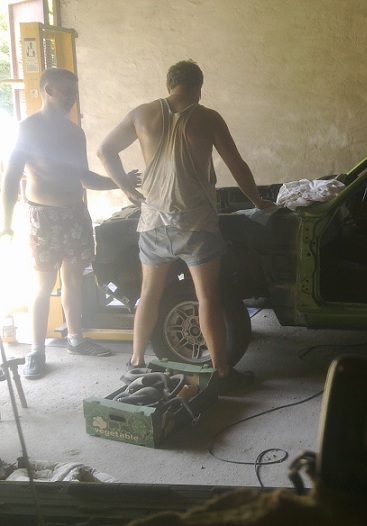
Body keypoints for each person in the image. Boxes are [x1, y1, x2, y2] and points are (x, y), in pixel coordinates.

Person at [97, 60, 274, 390]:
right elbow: (236, 164)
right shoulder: (208, 118)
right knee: (207, 298)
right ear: (198, 88)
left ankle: (135, 362)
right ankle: (222, 372)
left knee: (149, 294)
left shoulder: (142, 114)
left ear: (169, 86)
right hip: (195, 224)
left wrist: (126, 188)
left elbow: (104, 150)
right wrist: (256, 200)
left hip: (153, 223)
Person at [1, 68, 139, 379]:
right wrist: (6, 223)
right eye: (66, 90)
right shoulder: (28, 130)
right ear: (48, 89)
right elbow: (10, 178)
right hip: (43, 218)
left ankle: (76, 339)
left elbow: (84, 177)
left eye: (74, 91)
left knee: (74, 281)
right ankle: (36, 351)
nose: (72, 97)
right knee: (43, 285)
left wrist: (121, 181)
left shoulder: (75, 133)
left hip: (75, 214)